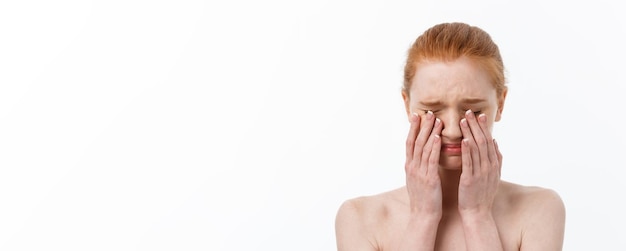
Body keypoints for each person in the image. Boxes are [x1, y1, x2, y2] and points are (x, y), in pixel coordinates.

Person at [334, 22, 566, 251]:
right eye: (431, 111)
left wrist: (478, 216)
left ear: (501, 103)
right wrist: (422, 217)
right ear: (407, 105)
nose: (453, 130)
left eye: (473, 111)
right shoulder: (360, 219)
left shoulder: (539, 211)